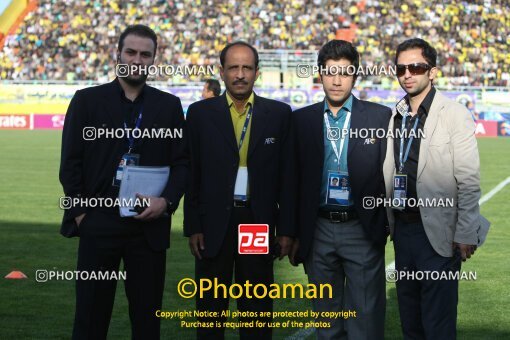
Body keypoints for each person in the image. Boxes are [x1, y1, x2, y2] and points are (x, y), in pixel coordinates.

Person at [59, 24, 187, 340]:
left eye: (145, 54)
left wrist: (167, 202)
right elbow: (70, 163)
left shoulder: (168, 106)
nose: (137, 59)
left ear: (153, 60)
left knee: (147, 322)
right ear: (118, 54)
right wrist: (82, 215)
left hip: (148, 226)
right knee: (89, 318)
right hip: (98, 222)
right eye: (130, 52)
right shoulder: (87, 100)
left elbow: (182, 164)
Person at [184, 41, 295, 339]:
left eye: (247, 67)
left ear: (257, 72)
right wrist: (193, 225)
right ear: (221, 72)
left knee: (256, 311)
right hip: (212, 225)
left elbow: (287, 177)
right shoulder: (199, 114)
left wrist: (285, 229)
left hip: (256, 223)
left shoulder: (280, 114)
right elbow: (191, 172)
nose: (240, 74)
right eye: (233, 67)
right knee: (210, 312)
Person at [290, 40, 391, 339]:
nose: (336, 80)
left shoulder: (379, 117)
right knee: (327, 322)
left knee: (366, 320)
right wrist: (294, 232)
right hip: (318, 228)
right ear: (320, 74)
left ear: (355, 76)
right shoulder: (301, 119)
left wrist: (383, 225)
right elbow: (292, 181)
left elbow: (390, 175)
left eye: (345, 73)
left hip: (361, 227)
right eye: (330, 72)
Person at [383, 38, 483, 339]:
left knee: (437, 324)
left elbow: (468, 179)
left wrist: (466, 231)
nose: (407, 74)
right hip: (402, 231)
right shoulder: (395, 115)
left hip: (439, 233)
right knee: (410, 322)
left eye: (416, 67)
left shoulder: (454, 114)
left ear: (433, 71)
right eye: (401, 68)